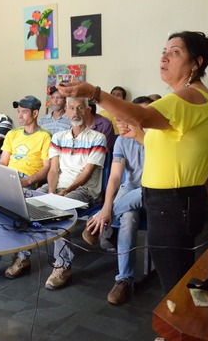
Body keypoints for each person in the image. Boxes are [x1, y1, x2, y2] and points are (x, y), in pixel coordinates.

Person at [57, 31, 208, 294]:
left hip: (173, 204)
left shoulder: (188, 97)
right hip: (172, 203)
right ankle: (177, 330)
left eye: (175, 52)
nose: (164, 57)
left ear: (196, 62)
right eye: (164, 51)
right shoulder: (191, 98)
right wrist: (140, 135)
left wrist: (95, 93)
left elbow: (141, 115)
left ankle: (177, 333)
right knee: (177, 277)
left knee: (175, 283)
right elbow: (170, 146)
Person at [83, 96, 153, 305]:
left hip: (152, 191)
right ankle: (124, 279)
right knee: (129, 218)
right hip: (130, 190)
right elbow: (115, 177)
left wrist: (105, 211)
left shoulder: (158, 139)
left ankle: (96, 223)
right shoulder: (123, 140)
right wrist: (106, 205)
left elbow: (152, 184)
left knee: (135, 199)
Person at [0, 95, 51, 280]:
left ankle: (22, 257)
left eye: (24, 112)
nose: (19, 115)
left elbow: (47, 167)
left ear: (35, 113)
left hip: (27, 179)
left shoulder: (44, 136)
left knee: (17, 212)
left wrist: (27, 181)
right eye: (18, 111)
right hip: (8, 177)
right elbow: (3, 162)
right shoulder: (12, 134)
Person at [37, 97, 107, 290]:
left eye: (80, 108)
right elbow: (53, 169)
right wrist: (51, 192)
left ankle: (63, 265)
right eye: (71, 108)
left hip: (84, 190)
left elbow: (87, 173)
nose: (75, 112)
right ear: (66, 112)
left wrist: (64, 192)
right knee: (27, 197)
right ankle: (22, 256)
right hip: (57, 186)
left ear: (87, 111)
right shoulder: (58, 137)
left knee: (58, 209)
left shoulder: (97, 138)